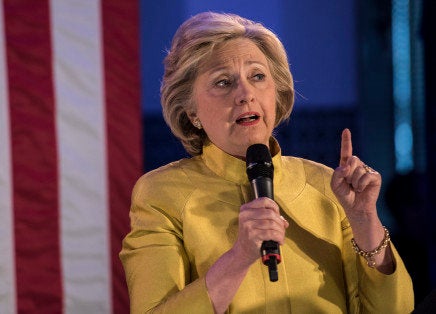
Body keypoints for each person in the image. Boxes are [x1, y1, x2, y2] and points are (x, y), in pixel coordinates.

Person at [119, 12, 414, 313]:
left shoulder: (328, 186)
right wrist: (238, 257)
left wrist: (365, 221)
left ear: (277, 92)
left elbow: (396, 310)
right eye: (223, 82)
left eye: (258, 76)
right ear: (192, 112)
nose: (245, 94)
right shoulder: (161, 195)